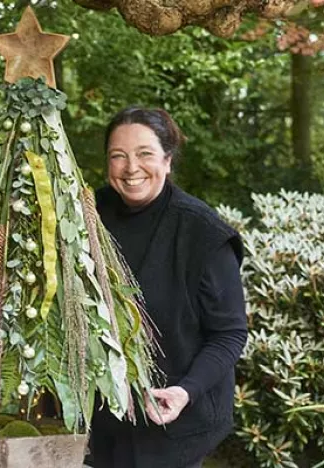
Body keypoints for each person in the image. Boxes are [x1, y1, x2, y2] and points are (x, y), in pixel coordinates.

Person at [89, 107, 248, 468]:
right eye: (118, 156)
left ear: (168, 160)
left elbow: (230, 333)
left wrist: (184, 391)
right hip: (106, 420)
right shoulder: (89, 213)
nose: (131, 168)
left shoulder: (202, 233)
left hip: (176, 420)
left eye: (145, 154)